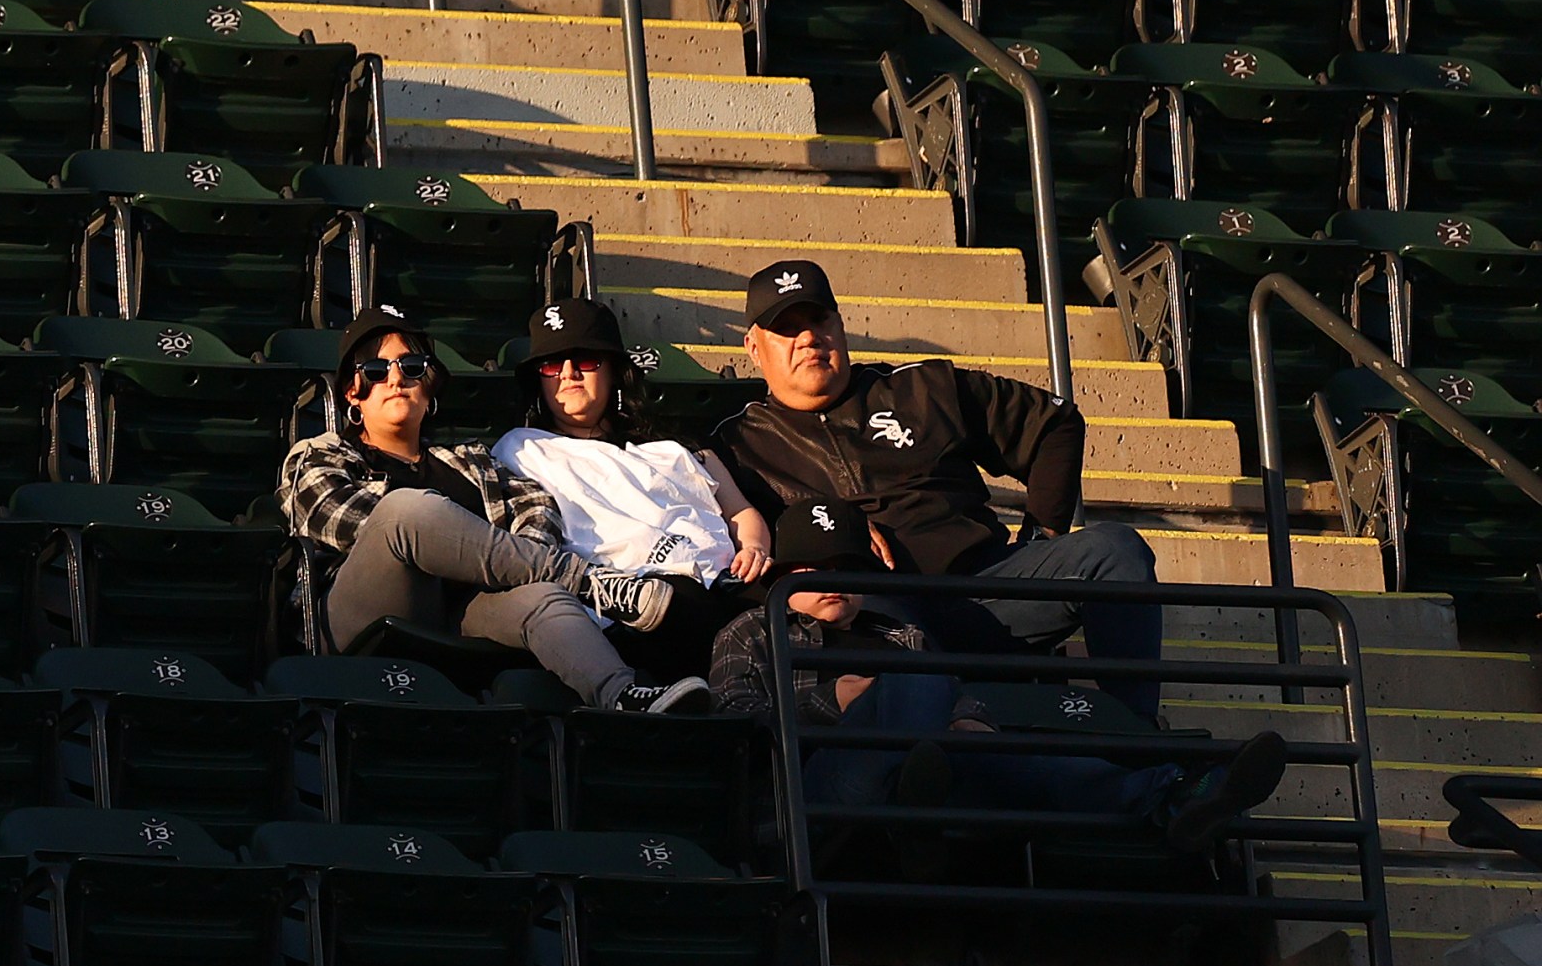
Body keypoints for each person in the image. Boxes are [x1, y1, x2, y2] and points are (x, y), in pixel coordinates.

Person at [710, 258, 1170, 718]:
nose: (809, 337)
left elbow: (1055, 422)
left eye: (818, 319)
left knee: (1114, 550)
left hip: (990, 586)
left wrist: (1041, 534)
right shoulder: (737, 444)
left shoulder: (921, 388)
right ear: (754, 347)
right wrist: (837, 530)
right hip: (872, 618)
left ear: (840, 324)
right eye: (787, 329)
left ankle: (1135, 733)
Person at [710, 498, 1288, 857]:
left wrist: (971, 718)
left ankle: (1177, 796)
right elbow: (734, 731)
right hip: (820, 790)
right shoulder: (751, 632)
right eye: (814, 569)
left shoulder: (896, 632)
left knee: (1008, 748)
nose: (832, 580)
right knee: (918, 680)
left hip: (934, 771)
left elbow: (955, 693)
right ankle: (917, 801)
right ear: (783, 574)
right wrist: (826, 704)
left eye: (847, 567)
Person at [277, 303, 710, 714]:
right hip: (365, 613)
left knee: (543, 595)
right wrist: (460, 538)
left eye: (411, 367)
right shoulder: (321, 454)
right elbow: (335, 518)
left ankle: (621, 693)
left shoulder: (472, 462)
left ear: (430, 386)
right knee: (405, 510)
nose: (395, 380)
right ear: (353, 393)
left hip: (465, 613)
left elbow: (538, 509)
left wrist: (498, 561)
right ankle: (591, 583)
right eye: (375, 369)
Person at [491, 297, 772, 682]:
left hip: (727, 584)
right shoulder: (521, 449)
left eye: (586, 360)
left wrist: (754, 547)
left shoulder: (678, 449)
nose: (569, 374)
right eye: (552, 364)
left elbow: (740, 512)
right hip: (634, 606)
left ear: (615, 372)